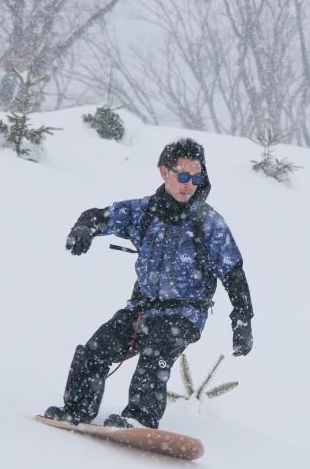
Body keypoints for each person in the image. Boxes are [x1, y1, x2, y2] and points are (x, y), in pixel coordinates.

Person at [44, 138, 254, 429]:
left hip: (185, 313)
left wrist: (242, 321)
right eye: (182, 175)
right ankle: (76, 410)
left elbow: (234, 274)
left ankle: (140, 418)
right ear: (163, 172)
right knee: (95, 349)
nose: (189, 184)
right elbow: (100, 216)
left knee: (156, 354)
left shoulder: (208, 223)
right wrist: (84, 228)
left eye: (196, 177)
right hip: (142, 309)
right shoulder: (144, 211)